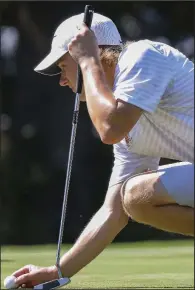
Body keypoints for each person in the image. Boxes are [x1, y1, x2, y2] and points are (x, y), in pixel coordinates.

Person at [12, 12, 194, 288]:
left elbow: (109, 128)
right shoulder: (126, 112)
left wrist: (87, 62)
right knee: (134, 199)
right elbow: (114, 211)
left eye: (63, 66)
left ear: (89, 53)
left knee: (134, 193)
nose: (62, 81)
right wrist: (58, 270)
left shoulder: (142, 55)